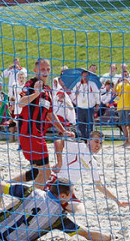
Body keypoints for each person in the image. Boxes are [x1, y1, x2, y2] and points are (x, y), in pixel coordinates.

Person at [17, 58, 70, 188]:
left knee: (36, 172)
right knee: (45, 174)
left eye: (48, 69)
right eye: (42, 69)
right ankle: (31, 201)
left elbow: (50, 115)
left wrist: (63, 130)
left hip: (37, 135)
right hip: (30, 134)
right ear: (35, 71)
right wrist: (36, 94)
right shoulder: (31, 84)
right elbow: (20, 102)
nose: (45, 72)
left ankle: (2, 186)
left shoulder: (47, 90)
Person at [53, 131, 130, 214]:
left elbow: (99, 185)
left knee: (81, 211)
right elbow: (58, 142)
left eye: (101, 143)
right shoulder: (80, 147)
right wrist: (59, 162)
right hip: (55, 182)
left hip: (67, 191)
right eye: (96, 142)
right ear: (88, 141)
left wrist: (117, 201)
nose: (98, 145)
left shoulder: (92, 162)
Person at [71, 70, 100, 140]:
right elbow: (72, 95)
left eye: (86, 76)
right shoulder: (78, 85)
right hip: (80, 107)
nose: (85, 78)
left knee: (90, 124)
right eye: (83, 76)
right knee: (81, 125)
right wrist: (75, 94)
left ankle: (90, 138)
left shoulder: (92, 84)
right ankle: (83, 139)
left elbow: (97, 95)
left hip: (89, 107)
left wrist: (98, 104)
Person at [114, 69, 130, 147]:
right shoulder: (119, 85)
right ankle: (126, 141)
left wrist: (128, 82)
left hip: (129, 106)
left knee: (129, 124)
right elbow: (115, 93)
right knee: (122, 125)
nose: (124, 76)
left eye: (125, 74)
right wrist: (117, 83)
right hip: (120, 106)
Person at [7, 70, 26, 142]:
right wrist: (12, 105)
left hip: (25, 107)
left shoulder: (26, 86)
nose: (21, 78)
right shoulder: (15, 86)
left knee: (25, 124)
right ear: (17, 78)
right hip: (17, 107)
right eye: (20, 77)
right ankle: (19, 141)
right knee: (18, 124)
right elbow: (13, 96)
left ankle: (24, 140)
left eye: (22, 77)